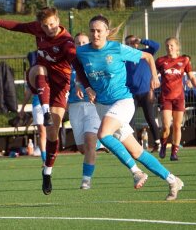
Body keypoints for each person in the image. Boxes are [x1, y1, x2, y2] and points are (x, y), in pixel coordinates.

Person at [75, 15, 184, 201]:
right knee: (136, 151)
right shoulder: (82, 52)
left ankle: (136, 172)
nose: (95, 34)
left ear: (107, 32)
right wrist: (83, 86)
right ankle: (173, 180)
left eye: (99, 30)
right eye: (92, 30)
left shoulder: (116, 49)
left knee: (102, 135)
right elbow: (78, 69)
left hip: (123, 102)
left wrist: (154, 77)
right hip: (102, 106)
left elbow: (148, 56)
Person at [0, 7, 84, 195]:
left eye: (52, 24)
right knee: (39, 69)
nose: (49, 28)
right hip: (40, 78)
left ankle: (47, 171)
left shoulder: (67, 42)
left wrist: (84, 83)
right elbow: (17, 26)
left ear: (58, 21)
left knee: (53, 134)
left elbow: (76, 62)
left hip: (61, 87)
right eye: (45, 26)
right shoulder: (37, 28)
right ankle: (44, 110)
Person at [156, 38, 196, 161]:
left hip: (179, 97)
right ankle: (163, 145)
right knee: (166, 126)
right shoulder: (161, 61)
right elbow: (151, 73)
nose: (169, 48)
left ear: (177, 47)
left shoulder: (184, 60)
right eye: (167, 46)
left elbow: (192, 77)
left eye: (172, 45)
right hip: (165, 98)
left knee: (177, 126)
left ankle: (174, 152)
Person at [69, 33, 102, 190]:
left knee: (90, 141)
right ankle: (98, 142)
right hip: (75, 107)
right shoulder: (68, 63)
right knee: (83, 149)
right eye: (77, 42)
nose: (80, 45)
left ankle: (86, 180)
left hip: (92, 106)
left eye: (84, 42)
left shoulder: (93, 60)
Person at [124, 35, 161, 153]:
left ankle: (157, 143)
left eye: (134, 43)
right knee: (130, 120)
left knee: (150, 117)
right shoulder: (124, 57)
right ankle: (134, 145)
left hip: (146, 92)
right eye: (129, 43)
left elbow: (156, 46)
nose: (132, 45)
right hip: (131, 93)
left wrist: (141, 40)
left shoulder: (145, 53)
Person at [19, 51, 46, 166]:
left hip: (50, 103)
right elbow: (29, 91)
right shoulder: (30, 73)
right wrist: (22, 107)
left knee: (52, 132)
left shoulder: (48, 69)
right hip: (37, 104)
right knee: (42, 131)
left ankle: (51, 156)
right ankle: (45, 159)